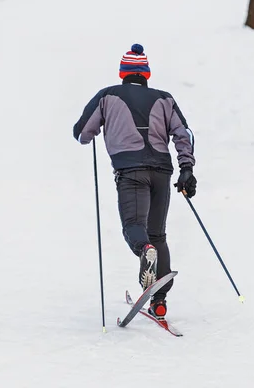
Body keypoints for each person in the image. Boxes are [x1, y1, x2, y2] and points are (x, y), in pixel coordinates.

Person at [72, 44, 197, 320]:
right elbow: (183, 133)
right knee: (158, 234)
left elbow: (82, 133)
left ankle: (145, 251)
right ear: (147, 75)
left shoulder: (107, 96)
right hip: (162, 172)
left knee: (134, 227)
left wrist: (94, 131)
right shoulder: (165, 99)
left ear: (122, 73)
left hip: (130, 171)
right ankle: (160, 301)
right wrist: (186, 168)